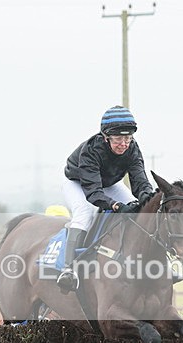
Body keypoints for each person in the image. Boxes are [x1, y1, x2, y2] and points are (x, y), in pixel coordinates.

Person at [56, 105, 155, 293]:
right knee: (85, 214)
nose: (124, 144)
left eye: (127, 138)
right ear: (106, 137)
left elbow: (140, 181)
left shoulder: (132, 148)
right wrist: (116, 206)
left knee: (140, 211)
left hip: (109, 183)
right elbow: (93, 192)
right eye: (118, 139)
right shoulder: (91, 150)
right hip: (78, 182)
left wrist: (147, 198)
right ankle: (68, 270)